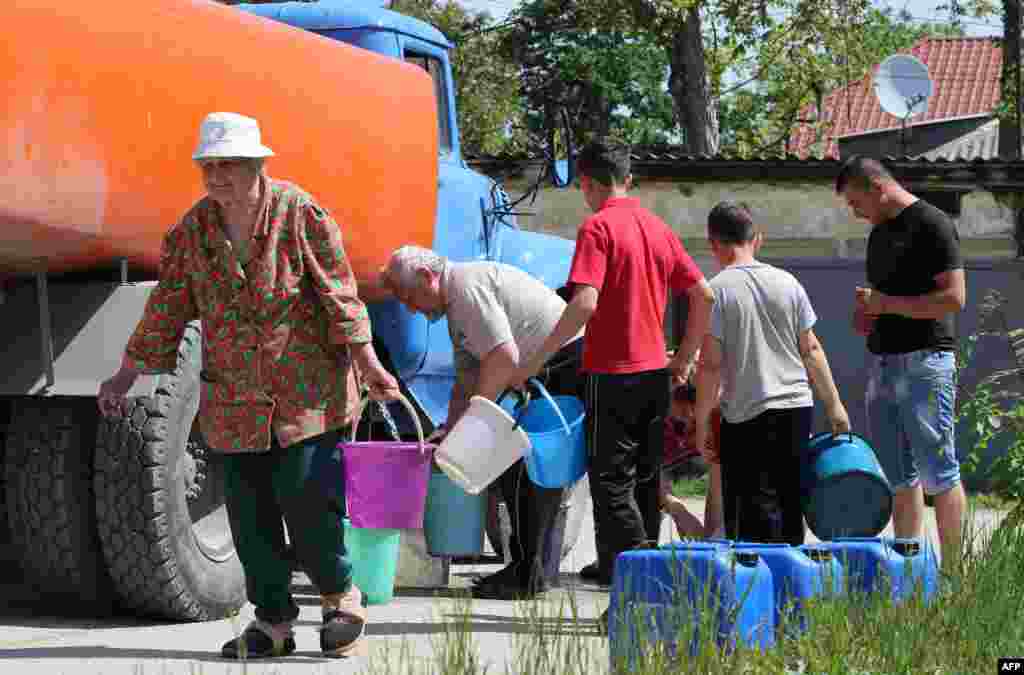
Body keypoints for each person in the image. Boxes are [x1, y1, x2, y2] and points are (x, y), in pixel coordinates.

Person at [97, 112, 400, 659]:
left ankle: (340, 599)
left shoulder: (299, 214)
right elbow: (166, 308)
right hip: (233, 402)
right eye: (209, 166)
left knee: (308, 505)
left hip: (307, 396)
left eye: (230, 165)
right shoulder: (193, 232)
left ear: (258, 165)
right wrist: (125, 375)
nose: (217, 177)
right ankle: (273, 622)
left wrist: (369, 362)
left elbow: (340, 295)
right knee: (251, 519)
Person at [513, 139, 715, 593]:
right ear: (628, 178)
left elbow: (584, 303)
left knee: (611, 487)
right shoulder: (658, 228)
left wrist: (536, 360)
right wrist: (683, 360)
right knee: (644, 479)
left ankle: (642, 588)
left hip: (612, 375)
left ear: (587, 183)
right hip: (655, 376)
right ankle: (624, 574)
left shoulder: (597, 228)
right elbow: (704, 295)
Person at [379, 245, 584, 599]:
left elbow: (503, 358)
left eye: (409, 297)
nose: (411, 309)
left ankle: (528, 573)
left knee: (522, 466)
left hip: (561, 363)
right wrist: (451, 428)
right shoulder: (457, 305)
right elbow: (467, 379)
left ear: (428, 277)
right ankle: (533, 569)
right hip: (546, 365)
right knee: (525, 468)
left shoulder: (465, 290)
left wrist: (477, 422)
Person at [836, 155, 967, 569]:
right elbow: (881, 301)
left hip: (926, 362)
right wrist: (866, 315)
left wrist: (886, 304)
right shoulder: (878, 235)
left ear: (877, 187)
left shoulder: (933, 223)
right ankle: (908, 572)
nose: (855, 212)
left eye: (856, 202)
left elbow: (954, 298)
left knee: (939, 474)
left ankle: (955, 575)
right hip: (883, 364)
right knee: (898, 477)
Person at [694, 201, 850, 546]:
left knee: (749, 511)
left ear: (714, 243)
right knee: (789, 501)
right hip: (795, 409)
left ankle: (757, 574)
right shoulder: (788, 283)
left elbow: (710, 365)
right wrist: (835, 406)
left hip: (746, 415)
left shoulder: (716, 291)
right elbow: (811, 349)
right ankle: (791, 574)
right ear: (757, 239)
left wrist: (702, 421)